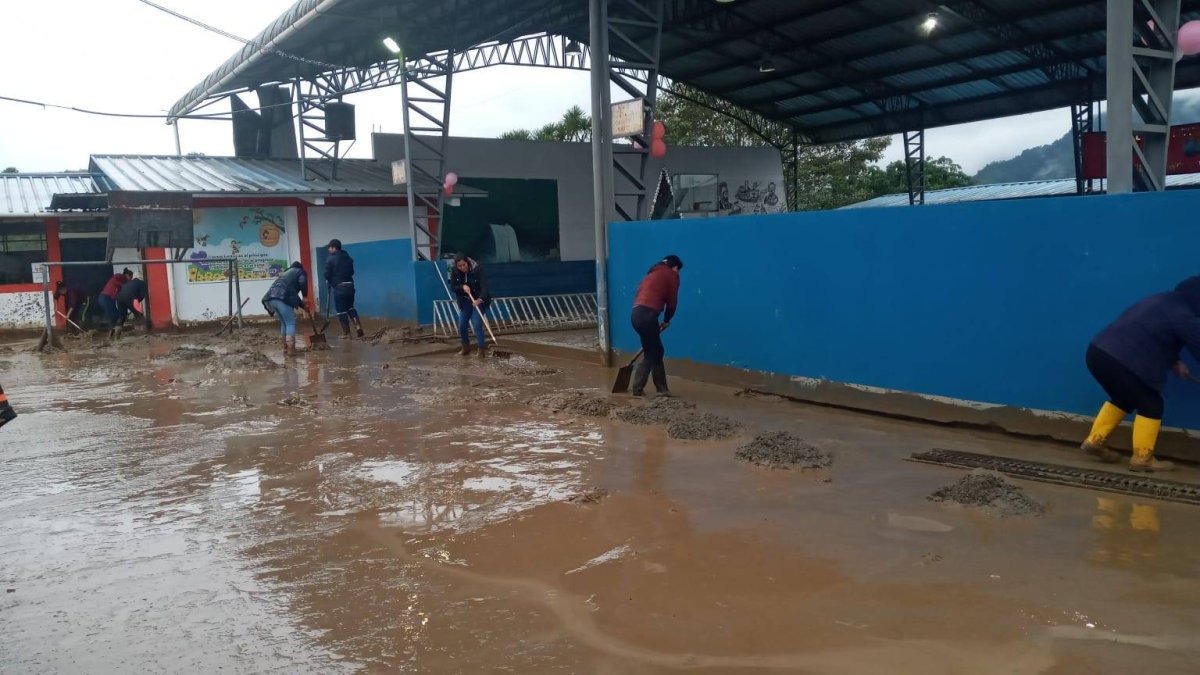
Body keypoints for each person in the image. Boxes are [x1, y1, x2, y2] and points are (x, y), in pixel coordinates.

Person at [1081, 276, 1200, 472]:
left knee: (1124, 398)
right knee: (1152, 404)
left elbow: (1152, 333)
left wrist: (1174, 361)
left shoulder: (1162, 300)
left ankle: (1095, 441)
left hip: (1098, 354)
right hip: (1121, 361)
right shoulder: (1185, 316)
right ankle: (1143, 458)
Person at [630, 255, 682, 397]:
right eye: (678, 270)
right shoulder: (672, 275)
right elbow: (672, 302)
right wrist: (666, 320)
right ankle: (638, 388)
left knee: (655, 350)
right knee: (653, 352)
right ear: (675, 267)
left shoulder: (652, 273)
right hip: (648, 316)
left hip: (635, 314)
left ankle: (661, 389)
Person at [262, 261, 310, 356]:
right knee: (290, 323)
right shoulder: (300, 271)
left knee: (284, 323)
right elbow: (302, 282)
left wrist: (304, 307)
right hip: (282, 299)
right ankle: (291, 350)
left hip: (271, 298)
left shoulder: (285, 275)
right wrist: (305, 296)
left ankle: (285, 348)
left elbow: (294, 295)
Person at [448, 254, 491, 357]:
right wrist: (462, 287)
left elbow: (485, 288)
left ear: (467, 262)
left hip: (479, 300)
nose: (463, 267)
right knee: (462, 324)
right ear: (456, 266)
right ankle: (465, 347)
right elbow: (453, 287)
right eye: (460, 266)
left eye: (464, 264)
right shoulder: (455, 271)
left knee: (476, 323)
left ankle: (481, 350)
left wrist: (480, 299)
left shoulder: (478, 270)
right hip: (465, 300)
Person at [323, 239, 362, 338]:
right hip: (350, 287)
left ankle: (346, 333)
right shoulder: (348, 258)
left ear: (334, 248)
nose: (328, 250)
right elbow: (352, 272)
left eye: (330, 248)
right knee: (350, 307)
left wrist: (328, 279)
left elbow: (326, 274)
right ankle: (358, 326)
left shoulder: (330, 259)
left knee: (341, 311)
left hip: (339, 288)